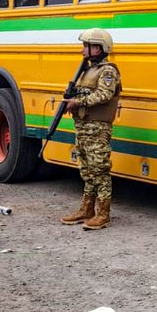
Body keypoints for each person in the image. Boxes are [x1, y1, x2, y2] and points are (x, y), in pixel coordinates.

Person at [58, 28, 122, 230]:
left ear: (99, 48)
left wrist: (78, 102)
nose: (83, 51)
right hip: (84, 126)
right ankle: (87, 209)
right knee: (86, 169)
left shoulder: (108, 71)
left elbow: (104, 95)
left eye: (87, 46)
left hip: (97, 128)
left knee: (100, 169)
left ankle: (103, 213)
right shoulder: (87, 70)